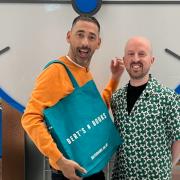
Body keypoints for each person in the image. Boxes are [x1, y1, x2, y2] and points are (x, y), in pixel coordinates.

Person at [21, 15, 124, 180]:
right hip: (68, 172)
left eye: (91, 37)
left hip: (91, 167)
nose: (85, 42)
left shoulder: (83, 71)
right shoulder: (56, 72)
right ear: (69, 36)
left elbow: (96, 113)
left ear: (98, 43)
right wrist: (60, 161)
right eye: (80, 34)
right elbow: (30, 118)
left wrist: (114, 79)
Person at [111, 36, 180, 180]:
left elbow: (178, 139)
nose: (136, 59)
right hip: (121, 176)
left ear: (152, 60)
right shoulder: (116, 99)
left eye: (141, 54)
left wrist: (164, 167)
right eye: (131, 54)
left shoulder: (168, 97)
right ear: (124, 60)